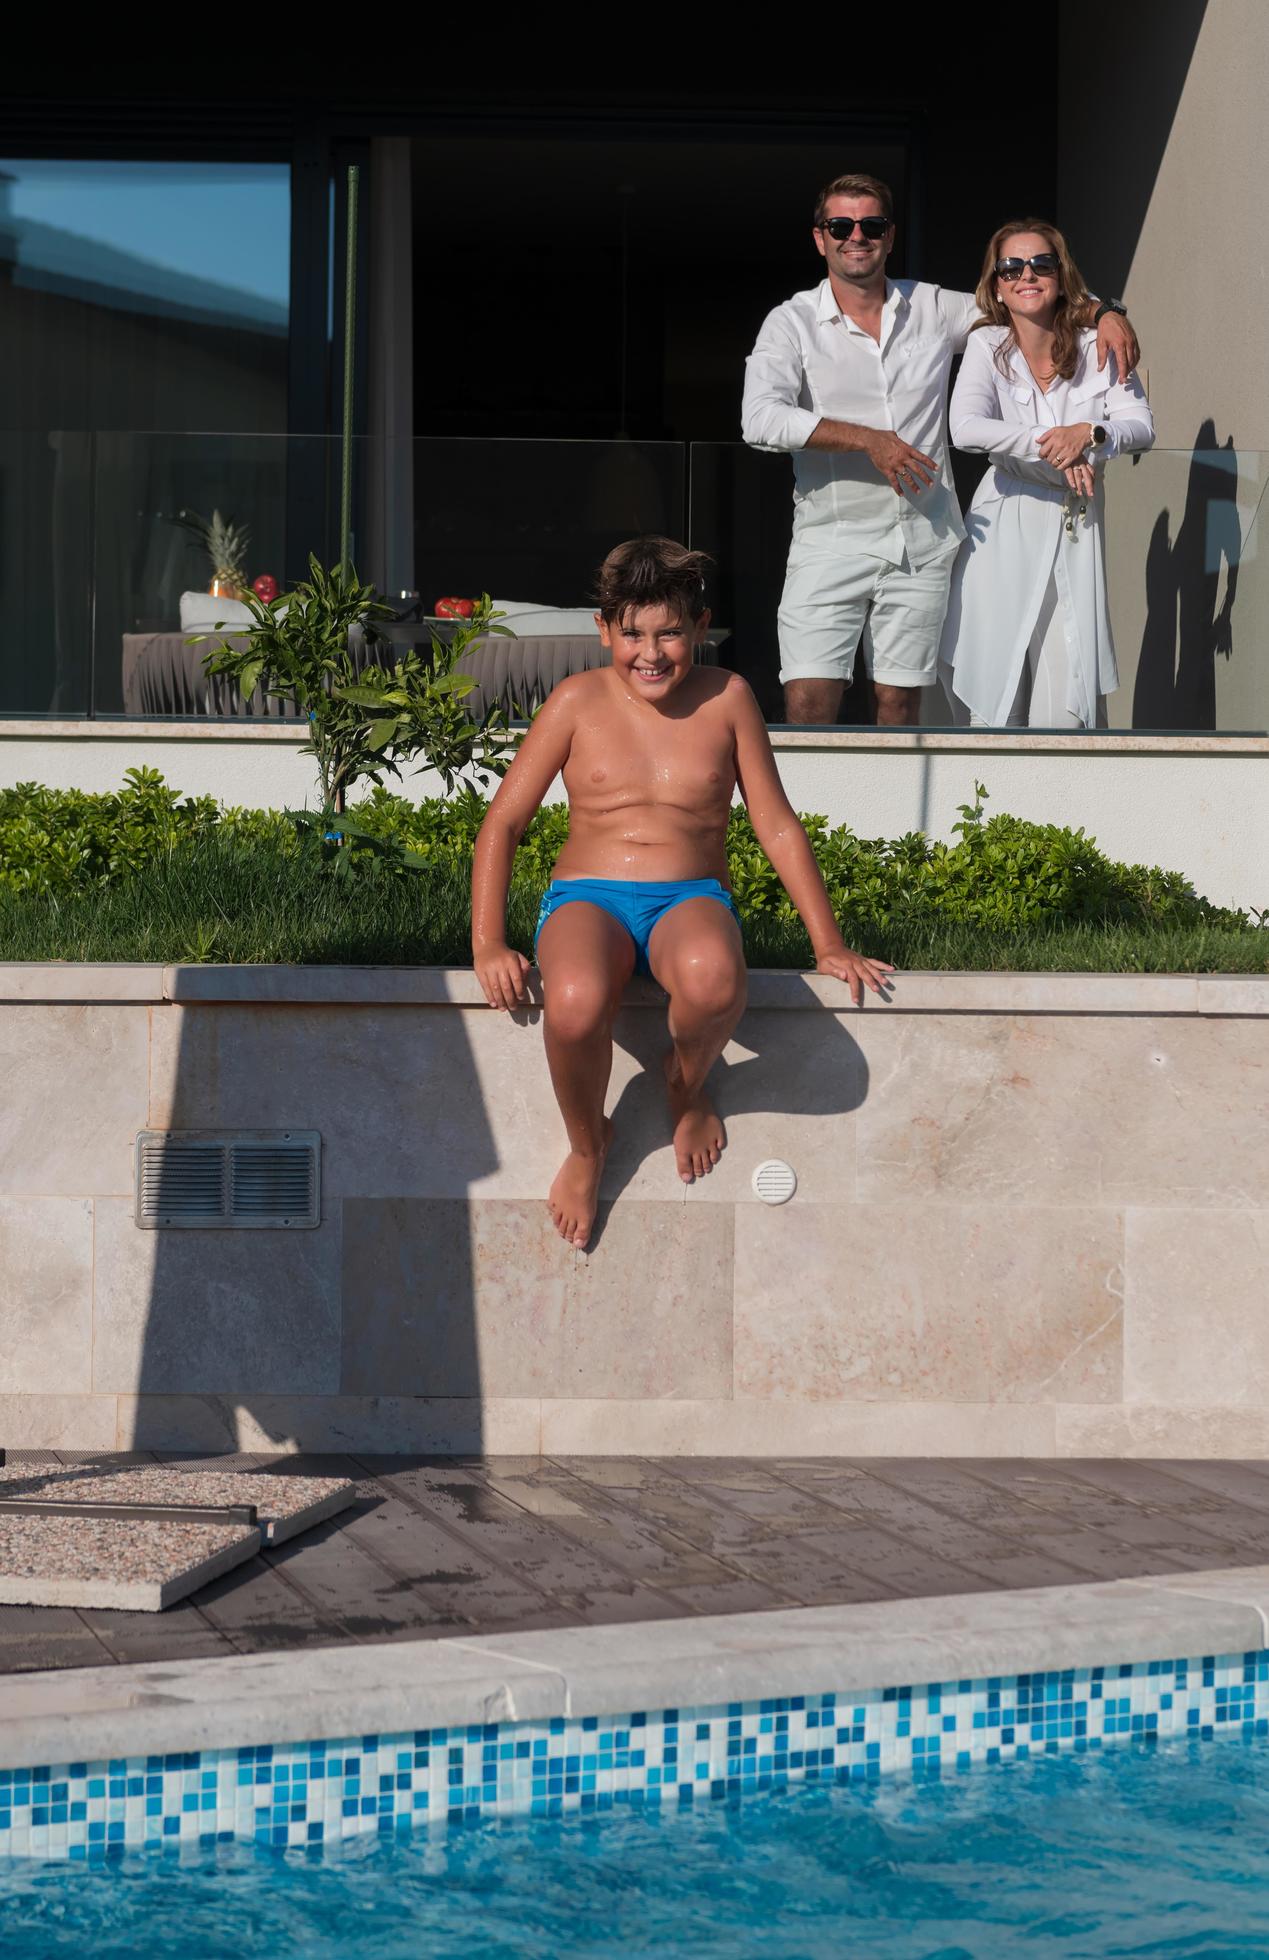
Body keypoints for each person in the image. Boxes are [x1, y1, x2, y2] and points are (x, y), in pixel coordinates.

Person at [470, 536, 892, 1250]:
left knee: (714, 979)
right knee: (571, 1007)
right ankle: (587, 1144)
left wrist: (828, 943)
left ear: (701, 626)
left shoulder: (726, 699)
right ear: (603, 631)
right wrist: (487, 941)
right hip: (587, 898)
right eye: (630, 633)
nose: (650, 652)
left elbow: (775, 825)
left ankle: (683, 1086)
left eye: (669, 632)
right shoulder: (576, 700)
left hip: (687, 897)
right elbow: (504, 821)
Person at [741, 174, 1139, 728]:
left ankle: (896, 819)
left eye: (871, 225)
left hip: (922, 544)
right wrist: (868, 440)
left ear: (890, 235)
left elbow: (1020, 290)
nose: (857, 236)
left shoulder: (931, 306)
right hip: (831, 539)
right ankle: (813, 818)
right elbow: (759, 419)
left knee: (903, 706)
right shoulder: (791, 323)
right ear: (820, 238)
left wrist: (1104, 312)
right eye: (841, 225)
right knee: (810, 699)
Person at [939, 221, 1155, 729]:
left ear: (1061, 275)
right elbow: (966, 427)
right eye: (1010, 267)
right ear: (996, 285)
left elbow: (1141, 424)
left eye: (1041, 263)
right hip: (1002, 523)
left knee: (1065, 703)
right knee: (994, 693)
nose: (1026, 275)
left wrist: (1090, 433)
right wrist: (1055, 443)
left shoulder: (1097, 342)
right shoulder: (987, 344)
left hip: (1075, 524)